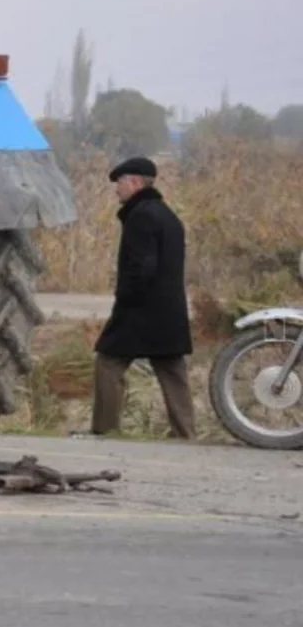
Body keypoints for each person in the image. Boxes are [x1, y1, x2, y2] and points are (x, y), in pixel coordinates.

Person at [86, 155, 196, 440]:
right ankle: (185, 434)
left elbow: (142, 266)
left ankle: (105, 429)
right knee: (172, 370)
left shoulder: (142, 215)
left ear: (134, 182)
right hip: (169, 311)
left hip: (140, 310)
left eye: (120, 183)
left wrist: (125, 297)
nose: (116, 189)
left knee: (108, 363)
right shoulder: (167, 215)